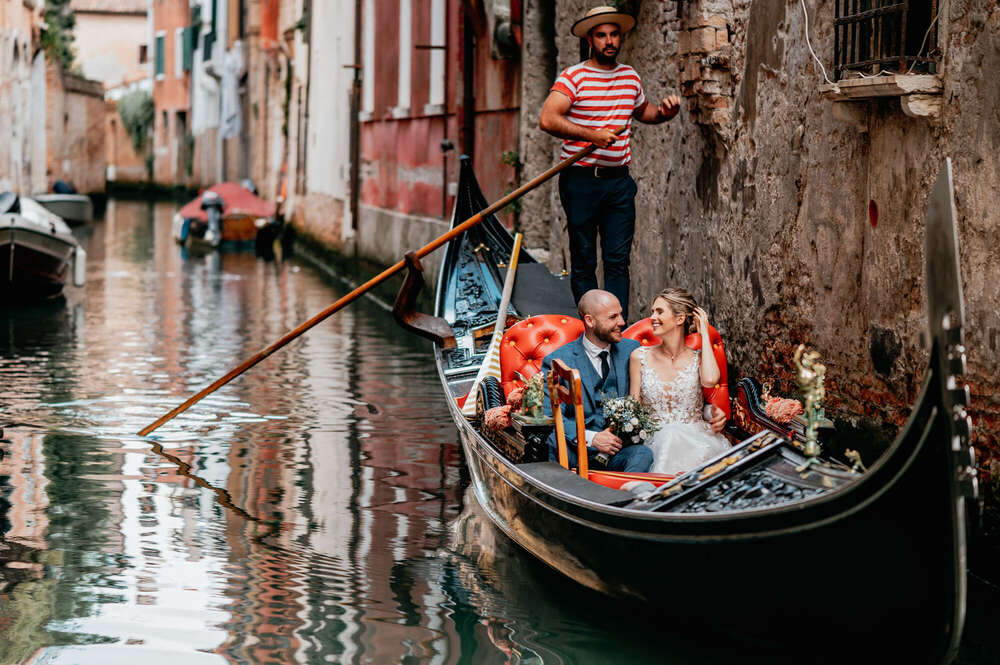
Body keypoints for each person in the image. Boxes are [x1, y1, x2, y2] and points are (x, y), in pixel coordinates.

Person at [538, 6, 682, 322]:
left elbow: (644, 112)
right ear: (591, 39)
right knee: (585, 260)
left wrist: (664, 113)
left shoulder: (630, 76)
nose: (609, 41)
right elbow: (548, 119)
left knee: (618, 260)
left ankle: (617, 326)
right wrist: (592, 135)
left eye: (614, 34)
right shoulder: (573, 76)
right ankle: (591, 326)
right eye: (602, 35)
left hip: (618, 181)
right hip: (580, 181)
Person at [541, 290, 726, 473]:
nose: (622, 322)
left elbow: (667, 394)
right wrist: (591, 437)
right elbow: (549, 415)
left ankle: (631, 493)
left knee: (643, 454)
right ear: (590, 321)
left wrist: (708, 411)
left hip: (621, 451)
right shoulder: (558, 360)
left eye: (621, 314)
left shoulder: (630, 350)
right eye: (613, 317)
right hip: (577, 451)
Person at [629, 288, 731, 475]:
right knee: (670, 437)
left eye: (659, 312)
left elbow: (710, 380)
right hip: (655, 440)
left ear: (680, 319)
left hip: (698, 438)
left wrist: (705, 335)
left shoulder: (698, 358)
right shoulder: (639, 357)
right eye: (652, 312)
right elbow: (633, 407)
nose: (652, 317)